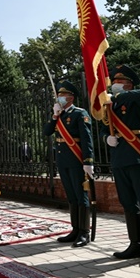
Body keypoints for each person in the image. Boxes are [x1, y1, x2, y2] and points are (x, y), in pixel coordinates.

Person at [102, 65, 140, 267]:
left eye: (119, 82)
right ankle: (135, 243)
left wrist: (113, 97)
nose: (115, 85)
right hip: (119, 158)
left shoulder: (136, 98)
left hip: (137, 155)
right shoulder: (111, 106)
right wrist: (106, 137)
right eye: (114, 82)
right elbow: (103, 127)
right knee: (127, 203)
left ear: (129, 84)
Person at [43, 80, 94, 248]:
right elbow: (47, 132)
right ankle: (75, 229)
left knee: (81, 196)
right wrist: (54, 116)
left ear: (71, 97)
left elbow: (86, 139)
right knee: (71, 196)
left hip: (77, 159)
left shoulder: (80, 113)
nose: (59, 98)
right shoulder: (59, 114)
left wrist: (88, 161)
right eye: (58, 95)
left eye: (63, 95)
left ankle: (84, 232)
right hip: (63, 160)